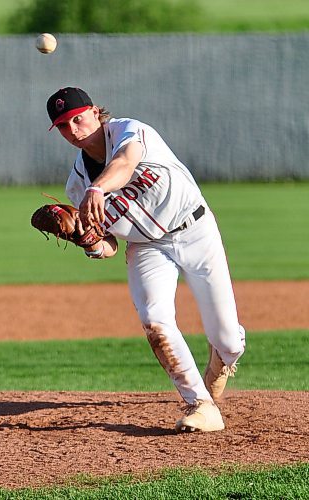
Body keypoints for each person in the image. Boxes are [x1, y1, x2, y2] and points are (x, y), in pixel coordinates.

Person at [46, 86, 246, 433]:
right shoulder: (76, 185)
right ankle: (200, 404)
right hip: (146, 248)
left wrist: (99, 189)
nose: (74, 130)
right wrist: (87, 241)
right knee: (154, 320)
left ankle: (222, 362)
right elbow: (107, 243)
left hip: (195, 229)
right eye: (64, 126)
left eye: (78, 119)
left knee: (228, 340)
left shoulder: (130, 130)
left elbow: (125, 163)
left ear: (95, 112)